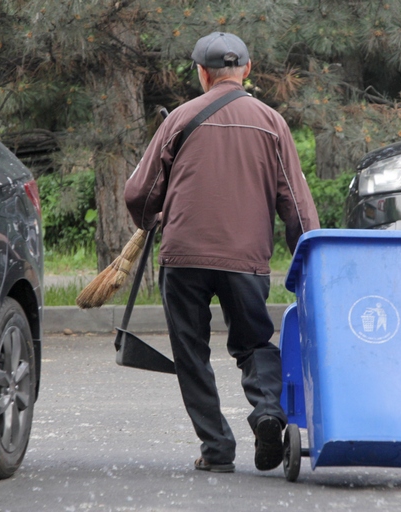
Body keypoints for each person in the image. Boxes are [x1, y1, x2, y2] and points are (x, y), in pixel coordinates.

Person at [125, 32, 320, 474]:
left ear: (201, 73)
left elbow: (140, 191)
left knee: (191, 353)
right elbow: (296, 202)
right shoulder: (272, 122)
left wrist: (149, 219)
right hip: (246, 259)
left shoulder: (177, 119)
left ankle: (217, 450)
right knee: (254, 343)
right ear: (248, 70)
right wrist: (307, 256)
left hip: (183, 257)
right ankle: (268, 411)